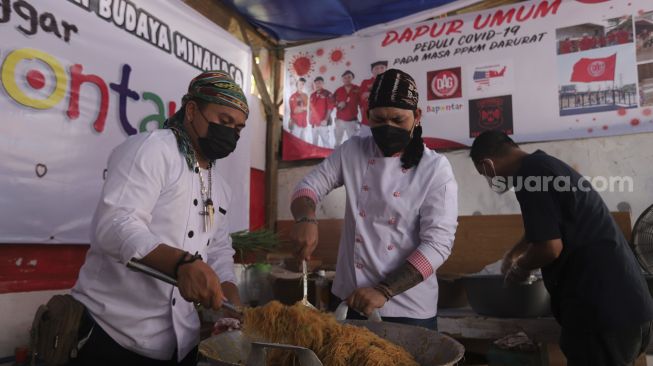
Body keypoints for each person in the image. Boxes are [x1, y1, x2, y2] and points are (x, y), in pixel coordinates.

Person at [70, 71, 248, 366]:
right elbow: (116, 224)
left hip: (181, 343)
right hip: (112, 333)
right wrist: (182, 263)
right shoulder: (151, 149)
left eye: (238, 129)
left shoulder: (221, 186)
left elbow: (218, 248)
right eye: (224, 121)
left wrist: (229, 296)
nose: (231, 134)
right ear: (192, 110)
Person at [290, 69, 458, 330]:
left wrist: (384, 290)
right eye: (379, 120)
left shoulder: (435, 168)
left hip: (408, 308)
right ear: (367, 116)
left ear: (417, 116)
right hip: (349, 300)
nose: (388, 127)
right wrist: (305, 217)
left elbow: (438, 245)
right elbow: (308, 187)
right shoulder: (353, 150)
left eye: (398, 119)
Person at [470, 130, 653, 366]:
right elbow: (549, 227)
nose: (490, 181)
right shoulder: (544, 166)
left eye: (485, 174)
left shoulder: (528, 175)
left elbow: (549, 248)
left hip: (602, 315)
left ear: (487, 163)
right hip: (627, 306)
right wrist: (513, 252)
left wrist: (521, 268)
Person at [359, 61, 388, 136]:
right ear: (372, 71)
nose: (379, 70)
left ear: (386, 69)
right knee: (364, 143)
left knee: (381, 144)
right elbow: (362, 98)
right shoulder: (365, 82)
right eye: (376, 68)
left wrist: (370, 94)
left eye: (382, 68)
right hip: (366, 120)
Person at [333, 70, 361, 145]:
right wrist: (338, 105)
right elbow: (332, 102)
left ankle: (353, 156)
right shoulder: (338, 90)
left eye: (349, 77)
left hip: (352, 121)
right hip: (339, 121)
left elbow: (362, 104)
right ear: (342, 79)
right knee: (337, 141)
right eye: (345, 77)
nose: (347, 79)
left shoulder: (358, 89)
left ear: (352, 78)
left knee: (354, 143)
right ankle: (337, 155)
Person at [309, 76, 335, 147]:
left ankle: (327, 157)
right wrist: (309, 118)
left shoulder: (328, 93)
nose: (317, 85)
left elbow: (330, 108)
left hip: (323, 122)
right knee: (314, 142)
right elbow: (310, 108)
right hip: (314, 123)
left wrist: (326, 120)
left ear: (323, 83)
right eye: (316, 83)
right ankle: (314, 157)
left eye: (319, 83)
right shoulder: (312, 95)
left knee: (325, 142)